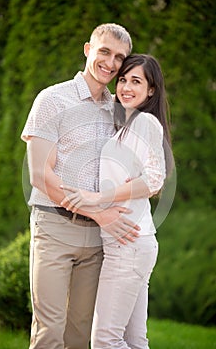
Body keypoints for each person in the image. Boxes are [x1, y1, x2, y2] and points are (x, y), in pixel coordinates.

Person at [21, 23, 140, 349]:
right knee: (50, 332)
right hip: (54, 227)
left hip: (97, 239)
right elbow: (40, 175)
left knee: (81, 333)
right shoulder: (52, 99)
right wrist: (103, 215)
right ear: (88, 50)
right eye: (104, 51)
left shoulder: (118, 110)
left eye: (120, 57)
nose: (111, 62)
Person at [60, 54, 173, 348]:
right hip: (130, 244)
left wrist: (99, 197)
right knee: (134, 340)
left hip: (129, 245)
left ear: (151, 90)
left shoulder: (145, 122)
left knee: (105, 341)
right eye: (123, 79)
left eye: (136, 81)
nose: (125, 87)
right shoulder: (126, 126)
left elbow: (154, 180)